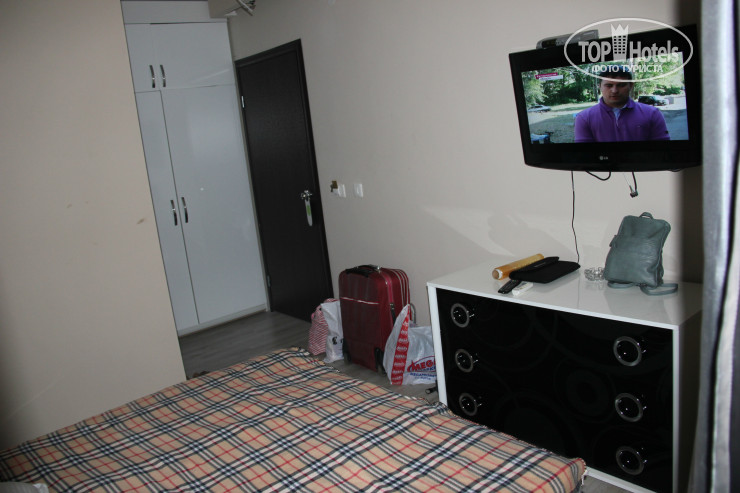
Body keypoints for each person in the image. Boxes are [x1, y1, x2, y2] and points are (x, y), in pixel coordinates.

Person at [574, 66, 670, 143]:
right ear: (600, 86)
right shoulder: (584, 118)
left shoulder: (652, 114)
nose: (614, 90)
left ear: (630, 86)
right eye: (609, 85)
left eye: (621, 85)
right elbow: (584, 156)